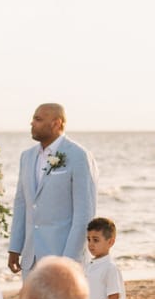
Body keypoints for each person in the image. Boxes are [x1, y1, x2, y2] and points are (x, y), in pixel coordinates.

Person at [7, 103, 97, 277]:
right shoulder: (26, 157)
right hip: (30, 259)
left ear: (57, 123)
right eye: (33, 119)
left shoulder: (79, 156)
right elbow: (21, 204)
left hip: (62, 256)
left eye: (38, 119)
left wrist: (69, 262)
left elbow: (84, 214)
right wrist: (15, 248)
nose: (32, 123)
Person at [80, 216, 125, 299]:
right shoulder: (89, 265)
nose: (91, 244)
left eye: (96, 240)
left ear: (110, 242)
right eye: (88, 239)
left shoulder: (110, 268)